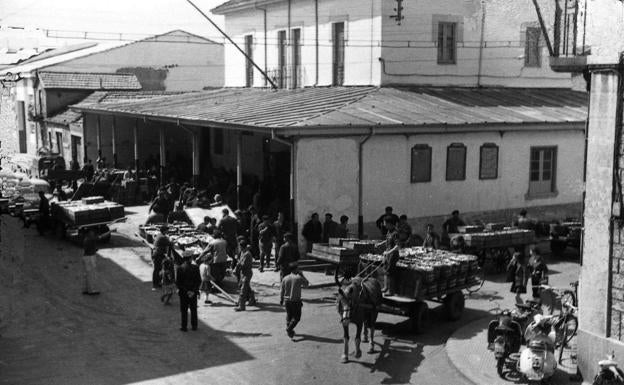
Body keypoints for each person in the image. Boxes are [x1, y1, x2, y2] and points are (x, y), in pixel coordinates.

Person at [280, 262, 309, 338]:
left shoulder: (285, 278)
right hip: (296, 301)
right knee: (297, 317)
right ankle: (289, 329)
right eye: (298, 268)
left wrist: (281, 299)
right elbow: (307, 284)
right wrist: (302, 275)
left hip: (287, 301)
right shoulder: (298, 278)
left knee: (289, 316)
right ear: (295, 269)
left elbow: (282, 290)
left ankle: (290, 331)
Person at [82, 228, 114, 295]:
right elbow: (102, 236)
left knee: (87, 274)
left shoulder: (86, 239)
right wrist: (110, 231)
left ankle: (86, 289)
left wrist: (94, 249)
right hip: (90, 257)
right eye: (92, 232)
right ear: (89, 233)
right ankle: (92, 290)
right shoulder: (91, 239)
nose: (93, 233)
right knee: (92, 274)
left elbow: (87, 248)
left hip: (86, 257)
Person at [176, 250, 202, 332]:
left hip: (184, 293)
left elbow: (178, 283)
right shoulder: (195, 268)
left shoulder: (180, 268)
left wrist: (187, 291)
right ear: (190, 258)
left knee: (184, 310)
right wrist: (193, 291)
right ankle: (194, 326)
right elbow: (198, 281)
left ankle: (184, 326)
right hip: (193, 293)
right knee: (193, 309)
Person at [376, 215, 401, 296]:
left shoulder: (395, 233)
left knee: (390, 273)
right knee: (386, 271)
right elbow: (387, 240)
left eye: (385, 223)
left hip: (393, 255)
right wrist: (380, 244)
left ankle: (391, 291)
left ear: (390, 223)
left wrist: (389, 252)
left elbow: (398, 246)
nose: (384, 225)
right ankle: (386, 287)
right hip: (387, 254)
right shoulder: (389, 231)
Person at [234, 239, 257, 311]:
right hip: (243, 273)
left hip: (247, 273)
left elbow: (243, 264)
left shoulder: (247, 254)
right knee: (246, 287)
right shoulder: (242, 252)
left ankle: (241, 306)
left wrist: (237, 264)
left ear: (241, 246)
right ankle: (252, 300)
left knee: (243, 290)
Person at [152, 225, 171, 290]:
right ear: (165, 231)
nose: (168, 231)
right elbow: (170, 243)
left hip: (156, 253)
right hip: (158, 255)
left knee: (157, 269)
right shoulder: (163, 237)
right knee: (157, 269)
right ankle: (156, 284)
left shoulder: (159, 235)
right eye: (167, 230)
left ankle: (157, 283)